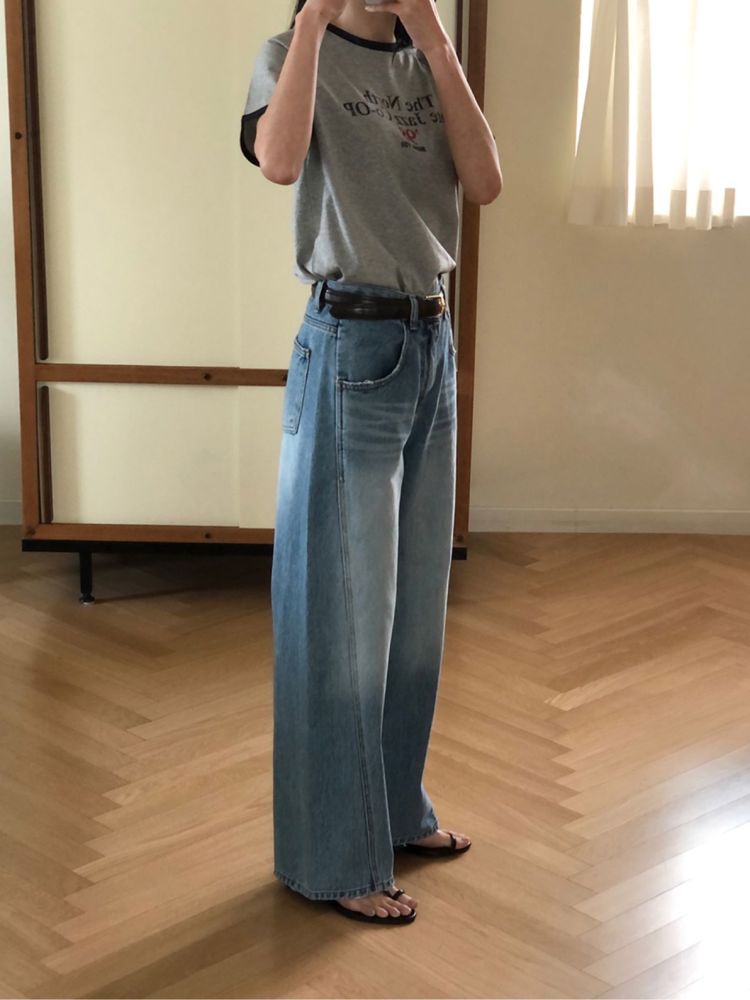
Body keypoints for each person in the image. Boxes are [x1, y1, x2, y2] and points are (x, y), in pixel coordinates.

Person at [240, 0, 502, 925]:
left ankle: (394, 811)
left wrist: (435, 39)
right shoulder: (289, 51)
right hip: (351, 345)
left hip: (430, 343)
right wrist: (314, 22)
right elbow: (278, 163)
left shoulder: (429, 56)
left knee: (415, 614)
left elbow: (485, 182)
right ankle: (333, 857)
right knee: (344, 619)